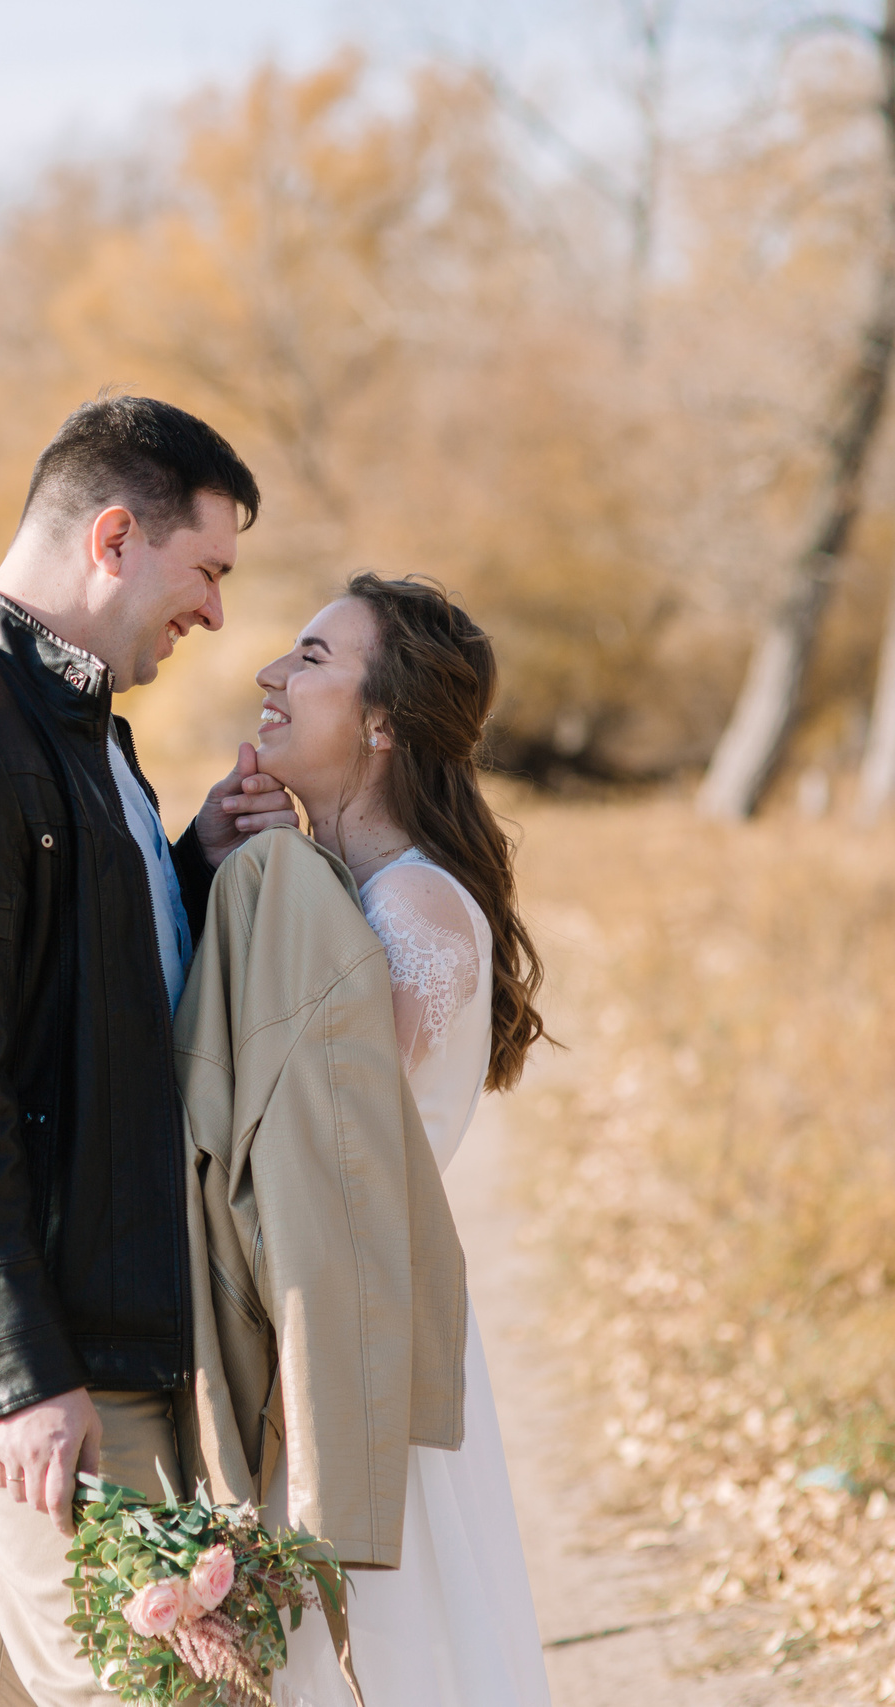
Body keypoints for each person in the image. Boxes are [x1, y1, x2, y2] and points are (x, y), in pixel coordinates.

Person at [0, 395, 294, 1707]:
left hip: (48, 1312)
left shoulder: (76, 721)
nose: (212, 611)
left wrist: (183, 864)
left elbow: (81, 987)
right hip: (36, 1336)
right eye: (206, 568)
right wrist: (27, 1371)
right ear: (112, 538)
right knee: (148, 1685)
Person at [241, 573, 554, 1707]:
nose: (272, 673)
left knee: (373, 1648)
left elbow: (326, 1142)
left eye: (312, 657)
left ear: (382, 723)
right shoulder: (342, 885)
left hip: (360, 1329)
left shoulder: (412, 911)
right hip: (314, 1309)